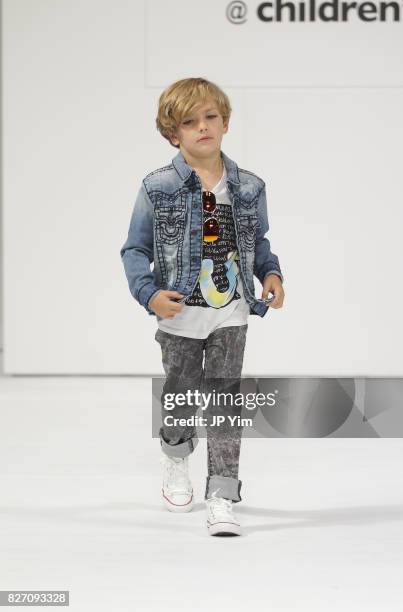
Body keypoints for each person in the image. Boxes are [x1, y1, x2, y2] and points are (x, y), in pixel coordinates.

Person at [120, 77, 285, 537]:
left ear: (226, 122)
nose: (202, 127)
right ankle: (176, 455)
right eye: (189, 122)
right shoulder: (157, 187)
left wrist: (270, 274)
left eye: (210, 117)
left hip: (231, 311)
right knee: (179, 396)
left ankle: (222, 494)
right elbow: (134, 250)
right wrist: (149, 293)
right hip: (180, 316)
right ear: (173, 134)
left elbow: (260, 241)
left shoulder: (250, 186)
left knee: (225, 401)